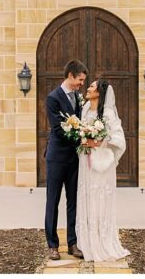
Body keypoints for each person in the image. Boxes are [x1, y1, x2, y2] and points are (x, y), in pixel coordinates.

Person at [75, 78, 131, 262]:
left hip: (102, 165)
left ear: (99, 92)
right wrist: (83, 140)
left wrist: (97, 141)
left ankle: (103, 241)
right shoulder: (84, 109)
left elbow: (119, 139)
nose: (88, 88)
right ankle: (87, 242)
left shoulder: (107, 113)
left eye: (92, 86)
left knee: (100, 199)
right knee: (88, 197)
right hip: (86, 161)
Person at [44, 60, 88, 260]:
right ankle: (52, 245)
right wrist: (82, 137)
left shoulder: (78, 98)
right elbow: (58, 128)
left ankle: (72, 243)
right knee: (53, 201)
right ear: (70, 75)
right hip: (56, 158)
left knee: (73, 202)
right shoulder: (53, 98)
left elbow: (81, 121)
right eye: (80, 80)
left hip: (74, 159)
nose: (81, 84)